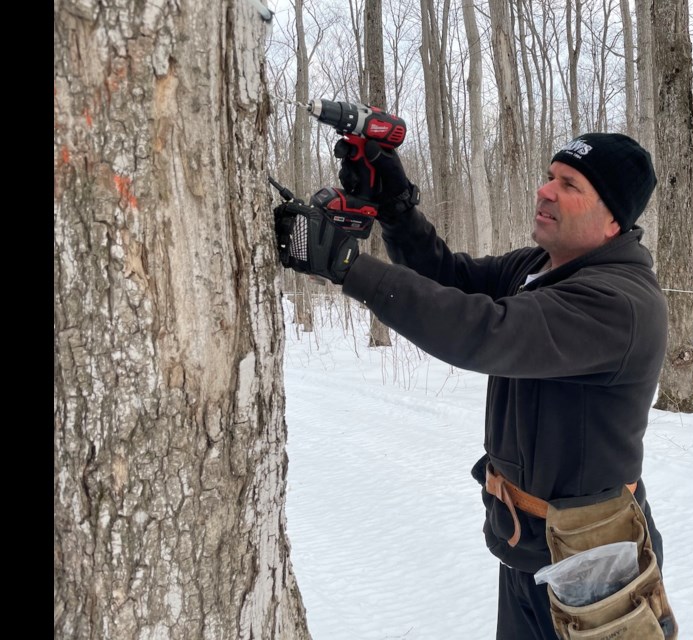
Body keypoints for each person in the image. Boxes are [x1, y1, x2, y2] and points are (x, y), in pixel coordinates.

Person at [274, 132, 672, 639]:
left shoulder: (619, 303)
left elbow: (480, 330)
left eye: (569, 184)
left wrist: (346, 264)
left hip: (595, 566)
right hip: (531, 546)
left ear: (614, 218)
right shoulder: (541, 269)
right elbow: (448, 276)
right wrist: (397, 208)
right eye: (550, 176)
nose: (545, 190)